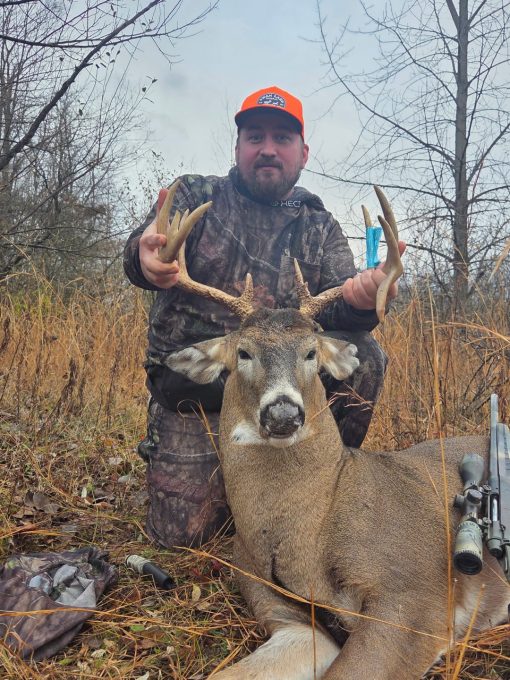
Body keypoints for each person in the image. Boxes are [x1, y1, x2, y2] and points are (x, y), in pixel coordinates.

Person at [124, 86, 403, 549]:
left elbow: (342, 308)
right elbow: (144, 248)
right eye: (255, 137)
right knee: (184, 539)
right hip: (199, 392)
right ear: (238, 147)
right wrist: (144, 255)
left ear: (303, 152)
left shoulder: (318, 225)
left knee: (365, 355)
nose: (268, 149)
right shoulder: (194, 196)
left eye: (282, 138)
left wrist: (361, 298)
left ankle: (323, 488)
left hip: (286, 386)